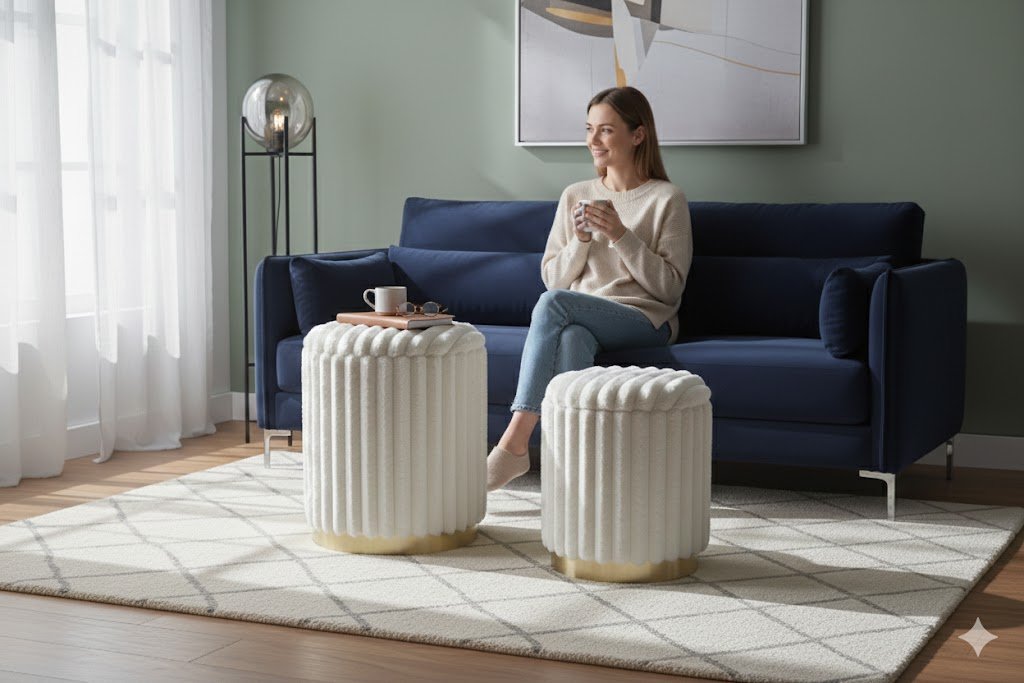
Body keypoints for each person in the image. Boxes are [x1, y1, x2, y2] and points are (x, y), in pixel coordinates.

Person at [486, 86, 693, 491]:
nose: (593, 140)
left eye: (606, 130)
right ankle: (576, 466)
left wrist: (620, 235)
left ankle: (514, 442)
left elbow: (669, 289)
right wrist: (580, 241)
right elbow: (554, 279)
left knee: (553, 305)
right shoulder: (576, 196)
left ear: (637, 135)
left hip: (645, 319)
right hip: (581, 316)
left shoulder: (666, 199)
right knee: (572, 336)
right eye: (589, 129)